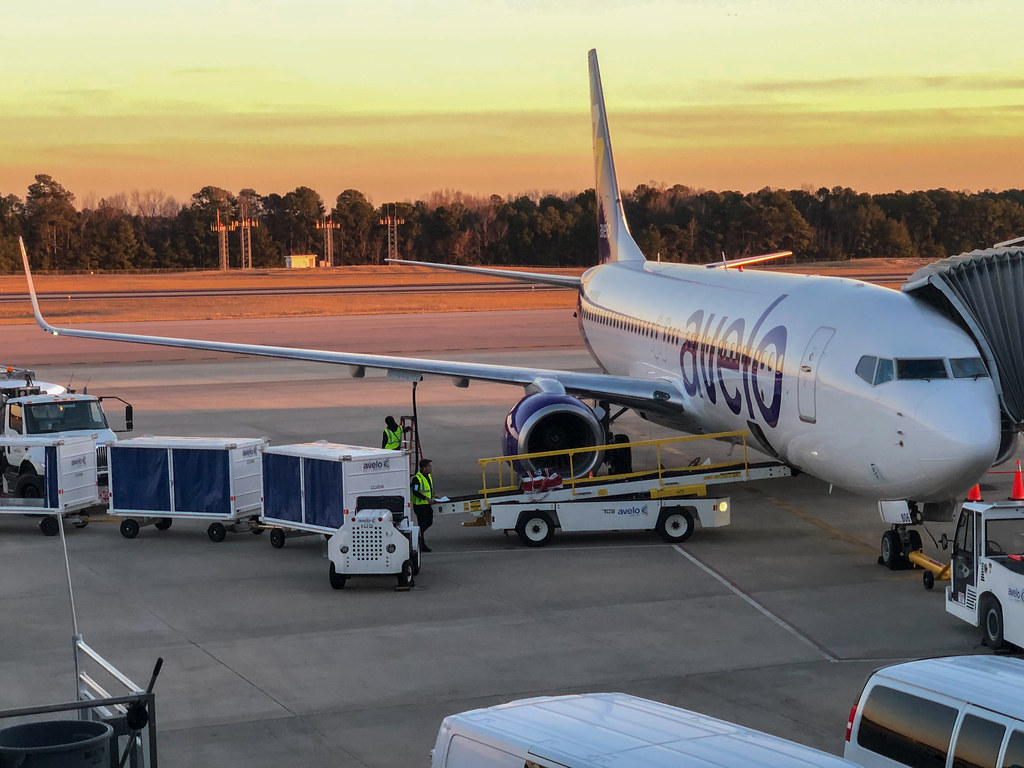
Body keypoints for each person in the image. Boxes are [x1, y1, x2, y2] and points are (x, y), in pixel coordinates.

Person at [411, 458, 436, 552]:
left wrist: (433, 496)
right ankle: (421, 543)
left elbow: (428, 489)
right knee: (422, 524)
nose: (431, 468)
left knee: (429, 521)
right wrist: (426, 498)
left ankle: (418, 536)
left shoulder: (428, 476)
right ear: (424, 468)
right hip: (420, 505)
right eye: (429, 466)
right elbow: (415, 491)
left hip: (427, 505)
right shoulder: (417, 479)